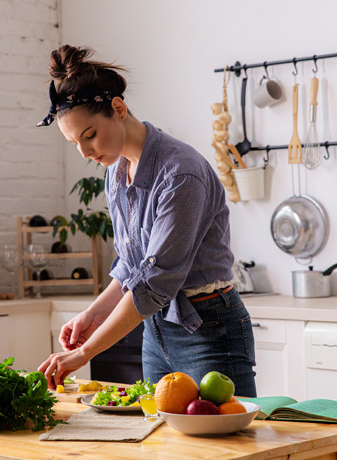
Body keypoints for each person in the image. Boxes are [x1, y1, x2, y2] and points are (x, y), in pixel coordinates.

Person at [36, 45, 256, 397]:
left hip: (209, 328)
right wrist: (92, 316)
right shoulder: (116, 171)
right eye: (75, 142)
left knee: (225, 448)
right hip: (156, 328)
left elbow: (154, 282)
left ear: (118, 109)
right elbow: (132, 264)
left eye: (89, 135)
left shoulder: (180, 174)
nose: (85, 152)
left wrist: (84, 353)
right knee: (160, 443)